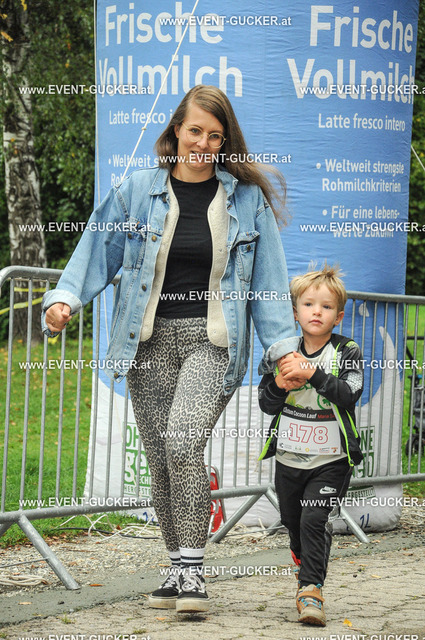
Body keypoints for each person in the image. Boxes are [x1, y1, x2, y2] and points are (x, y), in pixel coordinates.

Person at [41, 84, 298, 614]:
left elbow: (269, 283)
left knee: (182, 442)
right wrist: (65, 299)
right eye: (195, 130)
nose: (203, 143)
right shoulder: (138, 191)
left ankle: (193, 572)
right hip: (148, 342)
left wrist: (282, 349)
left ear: (224, 142)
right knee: (161, 457)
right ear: (177, 130)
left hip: (213, 341)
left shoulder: (245, 201)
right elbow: (97, 249)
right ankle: (177, 566)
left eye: (214, 135)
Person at [258, 264, 364, 627]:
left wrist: (312, 374)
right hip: (289, 457)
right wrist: (280, 386)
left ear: (339, 316)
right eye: (308, 304)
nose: (316, 312)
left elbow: (349, 394)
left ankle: (310, 591)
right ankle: (304, 557)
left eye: (326, 306)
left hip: (332, 460)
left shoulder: (347, 350)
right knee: (293, 521)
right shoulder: (280, 351)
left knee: (313, 518)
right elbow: (266, 403)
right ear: (295, 312)